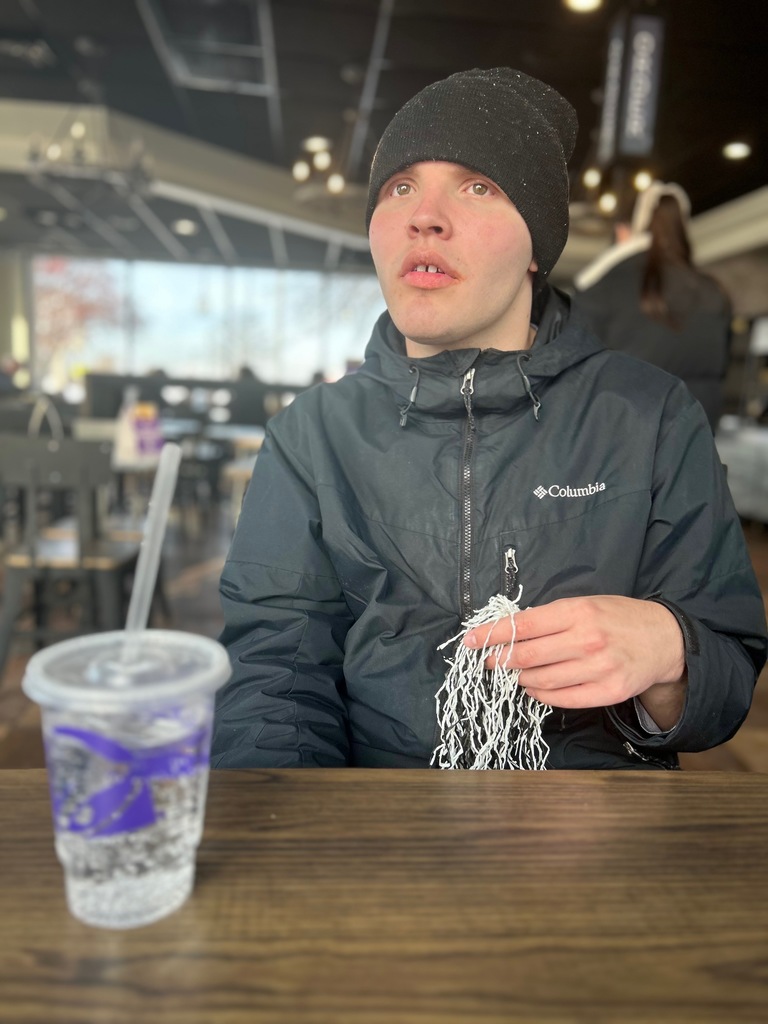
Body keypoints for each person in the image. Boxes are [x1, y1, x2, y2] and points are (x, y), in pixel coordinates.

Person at [212, 68, 767, 771]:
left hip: (594, 842)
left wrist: (668, 650)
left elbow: (724, 678)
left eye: (479, 186)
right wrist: (303, 845)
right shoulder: (311, 435)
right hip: (371, 840)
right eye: (399, 187)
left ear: (538, 247)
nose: (424, 215)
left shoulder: (649, 416)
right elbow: (272, 677)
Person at [571, 182, 732, 431]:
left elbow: (575, 365)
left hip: (627, 429)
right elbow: (722, 365)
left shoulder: (606, 282)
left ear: (625, 230)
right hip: (700, 428)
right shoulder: (713, 290)